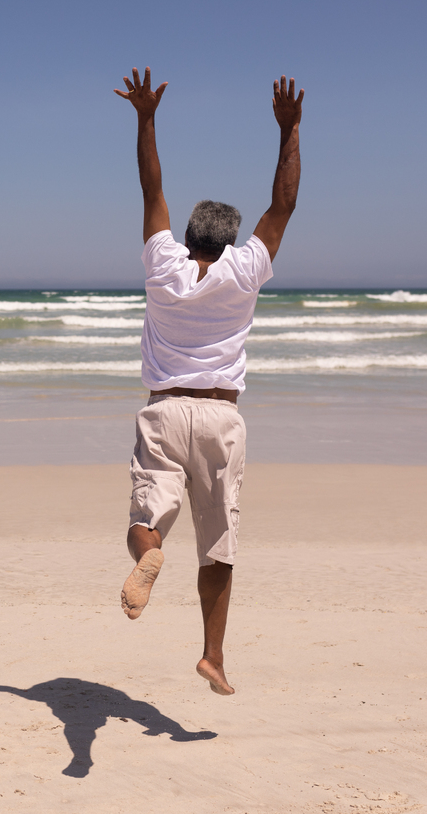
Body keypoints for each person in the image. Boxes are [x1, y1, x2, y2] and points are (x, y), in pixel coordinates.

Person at [114, 67, 303, 695]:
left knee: (147, 518)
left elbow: (151, 188)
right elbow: (283, 206)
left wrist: (145, 116)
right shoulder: (246, 271)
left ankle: (148, 556)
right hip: (221, 418)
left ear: (188, 236)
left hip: (164, 413)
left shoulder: (162, 264)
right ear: (229, 243)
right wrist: (288, 130)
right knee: (217, 546)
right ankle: (213, 656)